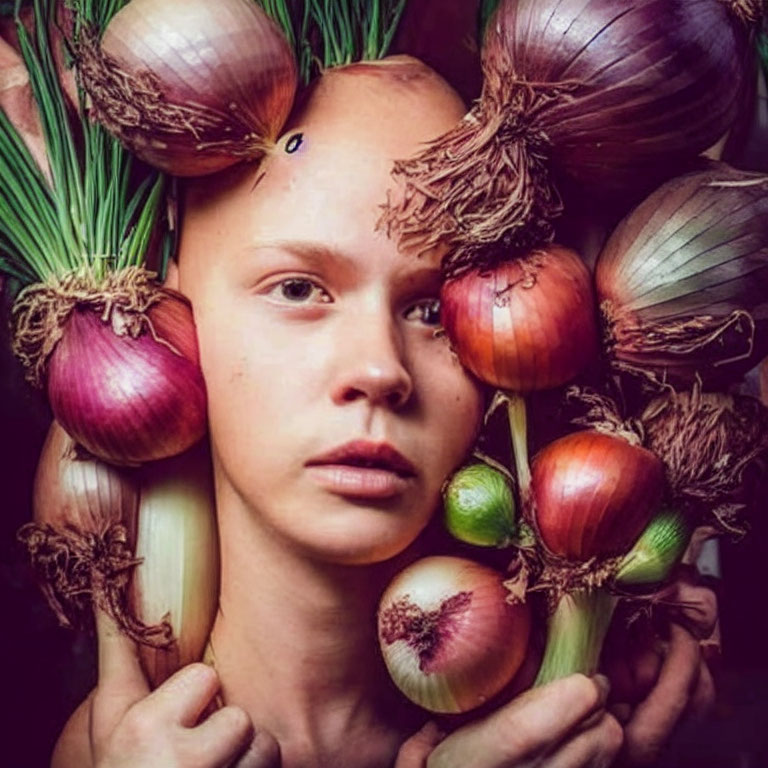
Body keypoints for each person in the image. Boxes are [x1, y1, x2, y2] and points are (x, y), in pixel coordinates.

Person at [50, 57, 715, 768]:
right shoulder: (111, 754)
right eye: (299, 289)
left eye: (432, 310)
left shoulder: (608, 722)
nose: (379, 370)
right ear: (169, 318)